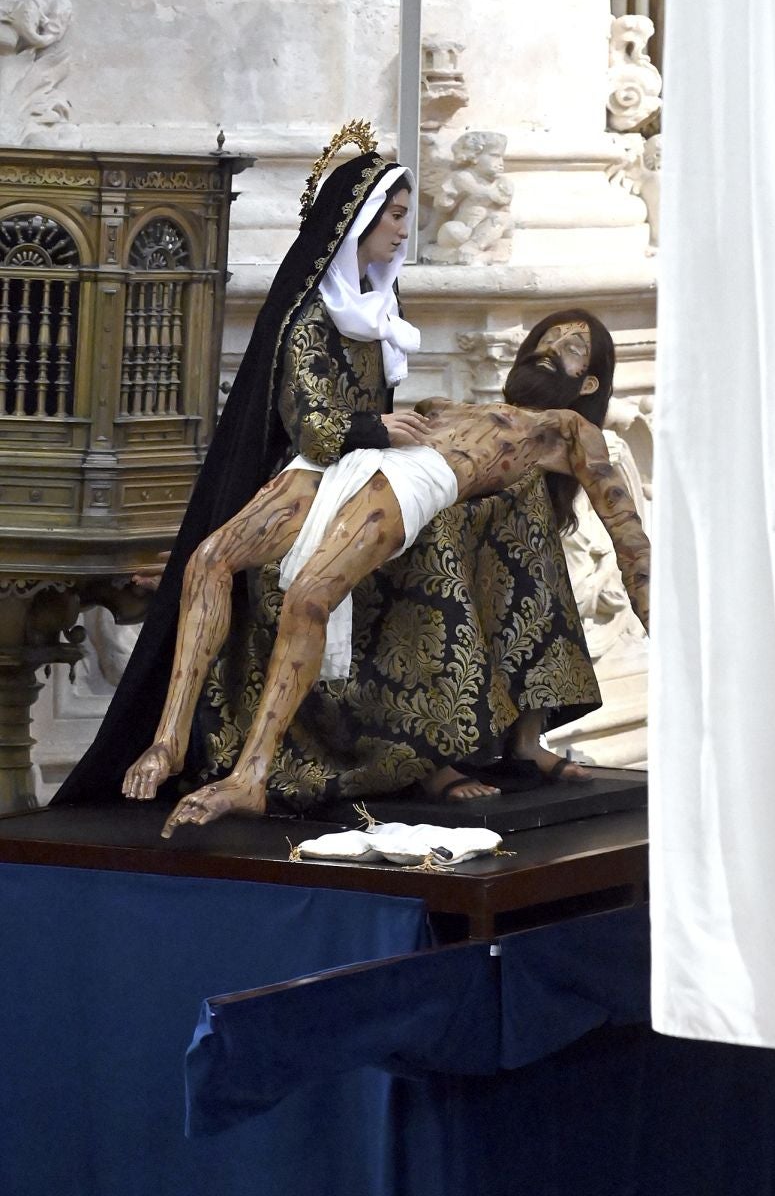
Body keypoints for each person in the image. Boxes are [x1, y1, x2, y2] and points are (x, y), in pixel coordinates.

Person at [55, 132, 608, 813]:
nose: (406, 229)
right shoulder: (311, 317)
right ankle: (169, 740)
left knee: (487, 525)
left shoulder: (379, 311)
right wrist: (381, 429)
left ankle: (477, 742)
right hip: (316, 471)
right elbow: (316, 423)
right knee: (208, 561)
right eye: (397, 215)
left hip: (369, 471)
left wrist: (407, 430)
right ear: (358, 222)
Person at [129, 310, 650, 831]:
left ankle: (251, 778)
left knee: (310, 594)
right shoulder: (449, 404)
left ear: (589, 382)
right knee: (207, 560)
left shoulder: (567, 430)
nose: (551, 346)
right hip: (352, 461)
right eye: (547, 336)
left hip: (412, 479)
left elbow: (627, 533)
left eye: (571, 347)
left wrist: (661, 624)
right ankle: (166, 742)